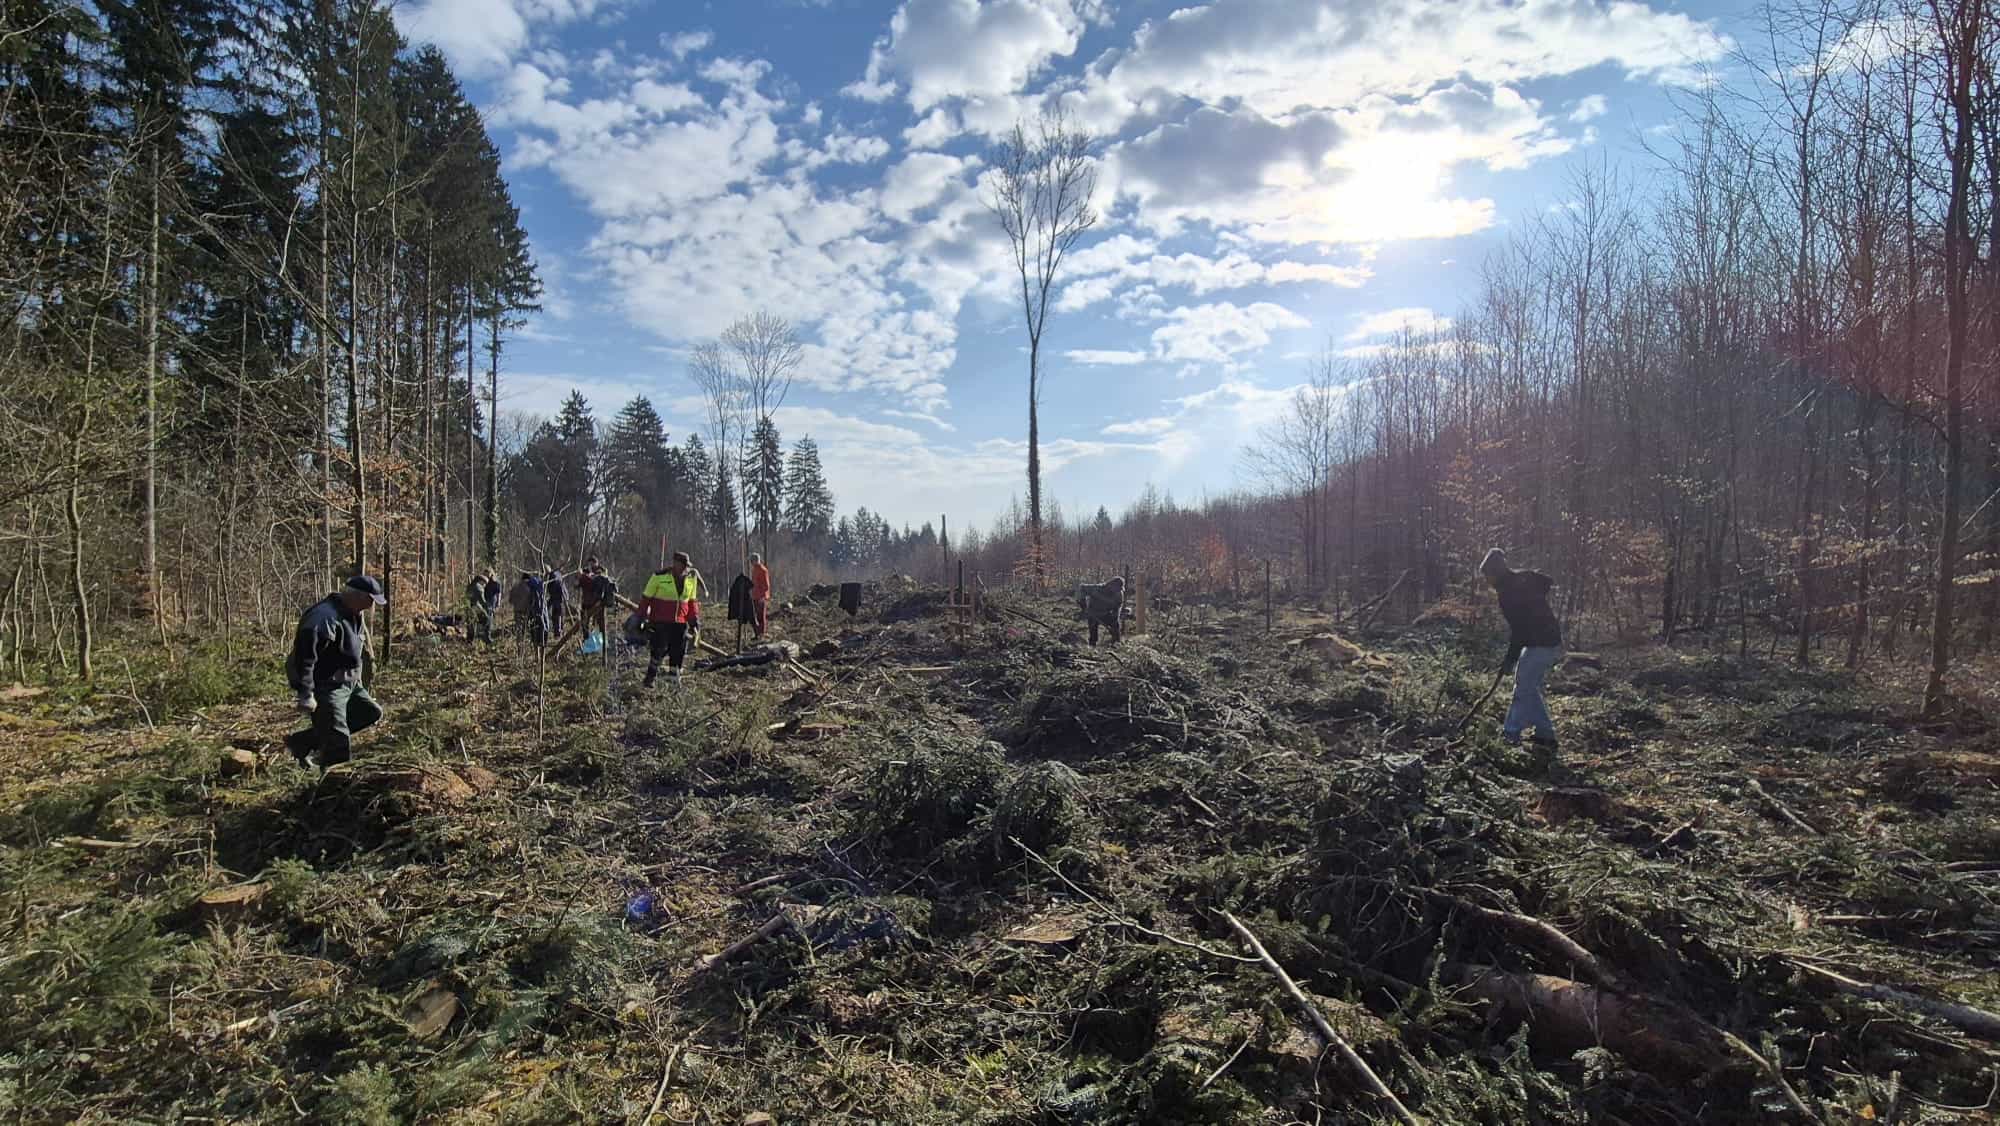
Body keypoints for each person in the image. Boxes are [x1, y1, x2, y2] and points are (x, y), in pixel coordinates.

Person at [285, 575, 386, 771]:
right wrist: (306, 693)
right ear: (358, 596)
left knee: (370, 712)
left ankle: (302, 742)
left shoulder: (353, 612)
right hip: (326, 685)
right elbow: (305, 658)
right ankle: (331, 788)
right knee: (338, 744)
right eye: (370, 600)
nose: (372, 606)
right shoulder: (323, 618)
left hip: (348, 682)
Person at [1480, 548, 1563, 748]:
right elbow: (1546, 581)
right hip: (1544, 640)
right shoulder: (1522, 578)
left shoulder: (1508, 593)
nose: (1487, 581)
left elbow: (1518, 631)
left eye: (1488, 575)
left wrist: (1509, 661)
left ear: (1496, 572)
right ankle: (1545, 733)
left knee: (1523, 688)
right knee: (1527, 686)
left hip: (1542, 643)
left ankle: (1511, 734)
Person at [638, 551, 703, 688]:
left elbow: (692, 602)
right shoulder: (658, 577)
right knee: (658, 650)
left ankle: (674, 681)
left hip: (680, 622)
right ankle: (650, 678)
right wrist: (642, 618)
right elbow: (646, 599)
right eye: (683, 565)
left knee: (678, 651)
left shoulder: (690, 579)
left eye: (687, 565)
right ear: (675, 563)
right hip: (660, 621)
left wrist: (694, 621)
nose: (685, 568)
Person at [1079, 576, 1125, 647]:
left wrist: (1115, 617)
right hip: (1093, 613)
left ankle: (1116, 643)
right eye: (1116, 589)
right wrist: (1083, 605)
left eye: (1119, 589)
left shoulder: (1119, 594)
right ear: (1111, 585)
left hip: (1106, 614)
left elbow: (1118, 607)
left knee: (1115, 626)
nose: (1117, 591)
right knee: (1093, 633)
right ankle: (1092, 647)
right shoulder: (1097, 588)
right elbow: (1081, 588)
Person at [509, 570, 547, 650]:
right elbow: (533, 601)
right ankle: (528, 650)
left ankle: (520, 650)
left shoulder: (515, 587)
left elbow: (510, 601)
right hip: (527, 613)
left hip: (517, 612)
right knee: (529, 631)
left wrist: (517, 603)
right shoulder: (530, 588)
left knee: (519, 632)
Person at [464, 573, 492, 645]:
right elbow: (482, 601)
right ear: (481, 581)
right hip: (475, 607)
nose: (485, 585)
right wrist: (488, 607)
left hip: (467, 607)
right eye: (485, 583)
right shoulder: (479, 587)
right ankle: (483, 636)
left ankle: (469, 642)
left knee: (470, 625)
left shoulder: (470, 586)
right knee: (486, 619)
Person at [749, 552, 772, 641]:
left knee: (760, 616)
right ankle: (757, 633)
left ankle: (761, 634)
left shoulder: (763, 570)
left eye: (752, 561)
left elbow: (766, 585)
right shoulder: (755, 569)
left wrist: (761, 595)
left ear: (755, 561)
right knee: (754, 616)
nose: (751, 563)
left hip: (760, 597)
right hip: (754, 596)